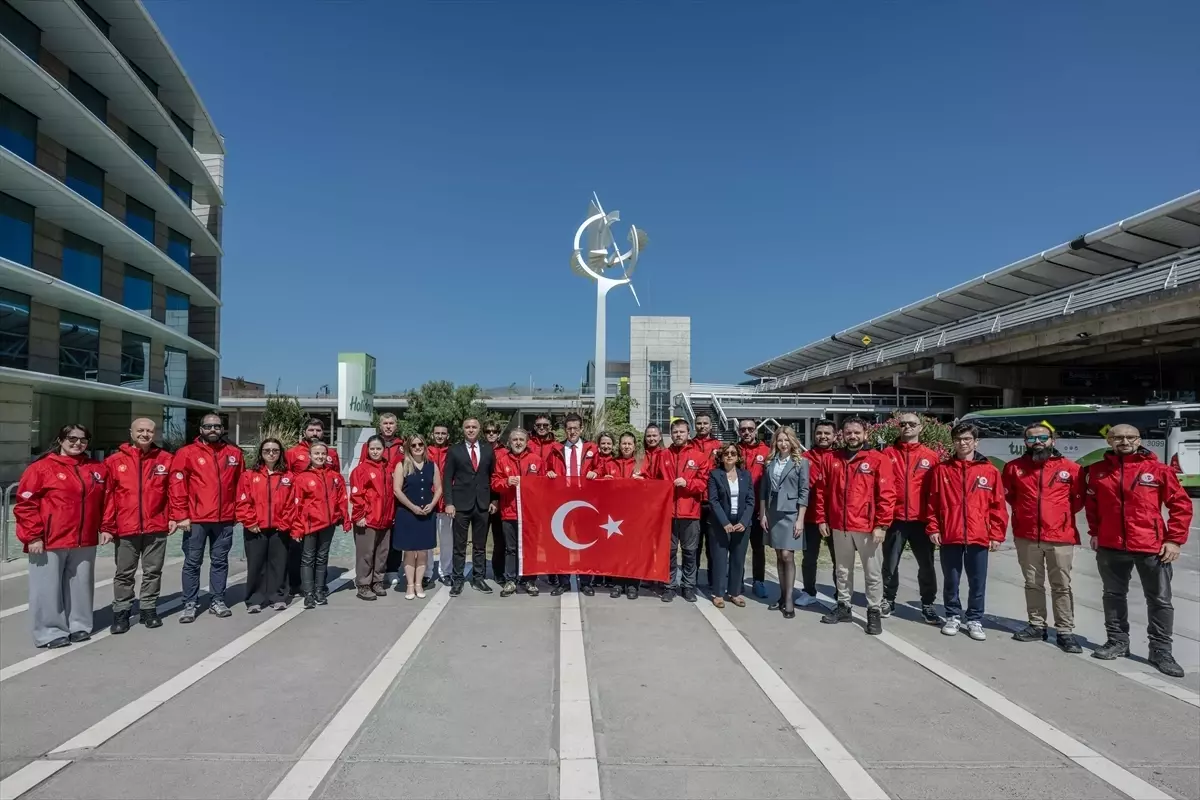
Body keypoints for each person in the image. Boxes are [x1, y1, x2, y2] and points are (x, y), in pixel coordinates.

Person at [1085, 424, 1193, 677]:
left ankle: (1160, 650)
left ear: (1139, 439)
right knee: (1113, 595)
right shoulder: (1098, 472)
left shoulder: (1158, 470)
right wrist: (1096, 533)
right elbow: (1092, 505)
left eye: (1130, 437)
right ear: (1109, 441)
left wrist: (1174, 540)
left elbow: (1181, 506)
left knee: (1159, 600)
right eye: (1118, 437)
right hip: (1111, 545)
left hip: (1151, 546)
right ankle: (1117, 642)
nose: (1124, 441)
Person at [14, 424, 108, 648]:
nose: (78, 443)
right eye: (72, 438)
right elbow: (25, 504)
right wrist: (33, 536)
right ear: (60, 440)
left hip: (83, 538)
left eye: (83, 440)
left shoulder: (97, 468)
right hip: (49, 539)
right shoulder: (40, 468)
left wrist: (106, 527)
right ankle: (49, 631)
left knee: (81, 586)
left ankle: (79, 625)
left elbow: (107, 500)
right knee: (46, 589)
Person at [1002, 423, 1085, 652]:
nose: (1037, 442)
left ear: (1053, 440)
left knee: (1061, 585)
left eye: (1042, 437)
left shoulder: (1072, 469)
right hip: (1027, 536)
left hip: (1060, 536)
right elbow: (1011, 497)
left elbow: (1077, 500)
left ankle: (1065, 631)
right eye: (1031, 439)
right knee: (1032, 583)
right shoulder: (1013, 468)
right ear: (1025, 443)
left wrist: (1058, 517)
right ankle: (1037, 625)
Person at [924, 422, 1008, 641]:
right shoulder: (941, 470)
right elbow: (932, 503)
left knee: (977, 581)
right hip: (950, 534)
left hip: (978, 535)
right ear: (953, 442)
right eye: (958, 439)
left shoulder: (989, 471)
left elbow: (998, 505)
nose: (962, 443)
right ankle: (952, 615)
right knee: (951, 579)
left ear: (975, 442)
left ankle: (974, 619)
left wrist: (997, 534)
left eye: (967, 439)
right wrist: (933, 528)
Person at [817, 417, 895, 635]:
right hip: (839, 526)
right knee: (842, 570)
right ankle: (844, 607)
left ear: (865, 434)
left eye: (856, 432)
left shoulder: (878, 459)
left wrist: (881, 524)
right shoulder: (832, 459)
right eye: (848, 432)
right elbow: (823, 491)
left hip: (868, 527)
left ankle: (874, 611)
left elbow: (887, 495)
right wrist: (822, 519)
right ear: (842, 435)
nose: (852, 436)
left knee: (872, 573)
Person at [170, 413, 244, 623]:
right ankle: (190, 603)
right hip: (196, 519)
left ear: (223, 429)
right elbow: (177, 486)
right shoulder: (186, 453)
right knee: (193, 563)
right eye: (208, 426)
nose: (213, 430)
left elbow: (240, 485)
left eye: (217, 426)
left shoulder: (234, 454)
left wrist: (238, 511)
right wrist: (181, 515)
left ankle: (217, 599)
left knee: (220, 562)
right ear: (200, 429)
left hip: (224, 519)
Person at [102, 417, 174, 633]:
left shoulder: (166, 459)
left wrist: (174, 516)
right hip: (126, 527)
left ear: (155, 434)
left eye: (149, 431)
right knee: (124, 572)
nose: (145, 434)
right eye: (140, 430)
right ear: (131, 433)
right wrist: (107, 526)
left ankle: (148, 609)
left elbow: (174, 492)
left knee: (153, 571)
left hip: (156, 526)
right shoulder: (114, 462)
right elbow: (109, 497)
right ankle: (122, 612)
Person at [881, 413, 942, 624]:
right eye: (903, 424)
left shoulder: (931, 456)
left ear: (920, 428)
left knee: (926, 565)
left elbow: (936, 492)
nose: (907, 427)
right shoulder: (887, 454)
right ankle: (888, 599)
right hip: (894, 519)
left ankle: (927, 604)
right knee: (890, 564)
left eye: (912, 424)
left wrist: (935, 522)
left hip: (921, 520)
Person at [646, 418, 709, 603]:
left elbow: (704, 483)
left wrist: (687, 483)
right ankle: (669, 585)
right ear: (670, 434)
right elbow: (653, 480)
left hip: (690, 513)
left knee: (690, 552)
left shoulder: (699, 457)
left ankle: (688, 586)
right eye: (675, 432)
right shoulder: (663, 455)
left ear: (688, 433)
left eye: (682, 432)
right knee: (669, 552)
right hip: (667, 514)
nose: (678, 435)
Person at [234, 438, 296, 612]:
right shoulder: (249, 475)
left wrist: (284, 523)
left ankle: (279, 596)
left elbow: (292, 503)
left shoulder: (288, 476)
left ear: (280, 453)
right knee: (256, 564)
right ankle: (255, 599)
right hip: (255, 527)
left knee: (280, 564)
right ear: (261, 453)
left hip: (279, 528)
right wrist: (250, 521)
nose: (271, 453)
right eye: (267, 450)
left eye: (275, 450)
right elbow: (242, 500)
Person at [544, 413, 598, 595]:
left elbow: (601, 468)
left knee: (586, 544)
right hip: (563, 502)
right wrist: (550, 474)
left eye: (575, 428)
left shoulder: (592, 448)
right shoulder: (556, 449)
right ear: (565, 430)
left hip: (585, 502)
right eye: (569, 429)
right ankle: (564, 581)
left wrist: (595, 473)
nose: (572, 432)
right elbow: (548, 470)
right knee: (562, 543)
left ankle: (585, 581)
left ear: (581, 429)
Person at [759, 427, 810, 618]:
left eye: (787, 440)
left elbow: (804, 491)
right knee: (779, 555)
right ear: (775, 443)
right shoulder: (769, 462)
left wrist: (800, 520)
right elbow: (763, 489)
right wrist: (763, 514)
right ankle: (782, 595)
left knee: (788, 555)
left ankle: (789, 599)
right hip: (773, 512)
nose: (783, 444)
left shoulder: (801, 462)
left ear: (793, 442)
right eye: (780, 440)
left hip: (791, 514)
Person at [442, 418, 497, 596]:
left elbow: (493, 477)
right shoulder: (454, 450)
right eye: (467, 427)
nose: (471, 430)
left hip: (482, 504)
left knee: (479, 545)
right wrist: (449, 503)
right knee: (460, 545)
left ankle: (478, 578)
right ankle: (457, 580)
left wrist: (494, 500)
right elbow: (447, 478)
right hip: (460, 505)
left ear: (479, 429)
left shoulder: (488, 450)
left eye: (474, 427)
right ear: (463, 429)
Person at [291, 442, 349, 609]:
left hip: (328, 524)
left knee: (322, 557)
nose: (320, 456)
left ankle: (319, 590)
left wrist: (344, 519)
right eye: (316, 454)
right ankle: (308, 593)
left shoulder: (335, 476)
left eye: (323, 454)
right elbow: (297, 505)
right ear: (310, 456)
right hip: (310, 524)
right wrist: (297, 528)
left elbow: (342, 500)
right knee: (308, 558)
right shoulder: (302, 477)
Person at [491, 428, 543, 597]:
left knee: (530, 548)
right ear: (510, 442)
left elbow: (544, 486)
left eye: (521, 439)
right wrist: (507, 482)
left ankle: (530, 580)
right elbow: (495, 483)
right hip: (510, 512)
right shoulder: (502, 460)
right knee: (511, 549)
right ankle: (511, 580)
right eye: (515, 440)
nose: (518, 442)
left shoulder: (536, 460)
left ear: (527, 441)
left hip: (530, 513)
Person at [393, 435, 442, 600]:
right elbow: (397, 490)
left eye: (420, 444)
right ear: (409, 447)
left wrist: (433, 504)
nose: (417, 447)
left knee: (422, 552)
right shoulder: (402, 465)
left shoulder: (432, 465)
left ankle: (419, 584)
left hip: (426, 514)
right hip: (407, 514)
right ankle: (409, 585)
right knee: (409, 552)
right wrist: (413, 507)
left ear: (425, 446)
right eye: (413, 445)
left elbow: (439, 488)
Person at [708, 444, 756, 609]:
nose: (729, 456)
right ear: (721, 457)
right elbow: (713, 501)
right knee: (720, 560)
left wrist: (743, 522)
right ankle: (719, 593)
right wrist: (725, 523)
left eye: (733, 453)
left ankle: (735, 593)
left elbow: (751, 500)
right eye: (726, 453)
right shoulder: (715, 475)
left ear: (738, 456)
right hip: (721, 524)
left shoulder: (746, 475)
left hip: (742, 523)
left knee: (738, 559)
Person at [350, 436, 396, 601]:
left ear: (384, 449)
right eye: (372, 449)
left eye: (378, 448)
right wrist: (359, 515)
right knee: (366, 553)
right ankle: (363, 584)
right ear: (367, 450)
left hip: (385, 519)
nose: (375, 452)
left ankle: (377, 581)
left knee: (382, 553)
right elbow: (356, 495)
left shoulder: (389, 468)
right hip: (368, 519)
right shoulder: (360, 470)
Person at [799, 420, 838, 606]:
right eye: (819, 433)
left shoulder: (841, 457)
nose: (823, 436)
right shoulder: (805, 457)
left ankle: (841, 594)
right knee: (809, 557)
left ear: (835, 436)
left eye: (827, 433)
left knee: (839, 559)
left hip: (835, 517)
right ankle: (808, 591)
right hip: (810, 516)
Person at [605, 432, 644, 598]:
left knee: (634, 550)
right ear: (619, 445)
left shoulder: (641, 464)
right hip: (614, 515)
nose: (626, 446)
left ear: (634, 446)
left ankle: (633, 585)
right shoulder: (610, 463)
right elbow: (598, 486)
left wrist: (643, 481)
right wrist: (603, 480)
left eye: (629, 443)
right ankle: (617, 584)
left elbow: (652, 485)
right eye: (623, 443)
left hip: (635, 513)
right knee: (616, 550)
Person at [736, 420, 771, 599]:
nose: (747, 432)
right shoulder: (734, 450)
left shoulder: (767, 451)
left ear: (756, 430)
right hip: (738, 510)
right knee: (737, 548)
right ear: (739, 431)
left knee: (758, 548)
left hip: (759, 509)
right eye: (743, 430)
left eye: (750, 429)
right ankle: (737, 580)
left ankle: (759, 581)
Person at [692, 414, 723, 588]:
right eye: (699, 423)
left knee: (713, 544)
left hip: (713, 502)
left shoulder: (718, 446)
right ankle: (692, 578)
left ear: (711, 426)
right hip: (694, 502)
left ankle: (713, 580)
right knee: (694, 544)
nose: (702, 426)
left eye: (705, 424)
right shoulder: (689, 445)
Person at [427, 424, 453, 586]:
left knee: (447, 540)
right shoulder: (424, 451)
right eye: (437, 433)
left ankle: (446, 572)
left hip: (446, 503)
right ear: (432, 434)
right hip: (428, 504)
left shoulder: (452, 452)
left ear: (448, 436)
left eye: (443, 433)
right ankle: (427, 572)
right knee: (428, 541)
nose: (440, 436)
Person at [484, 423, 506, 583]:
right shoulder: (480, 450)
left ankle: (499, 572)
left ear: (499, 434)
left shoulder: (505, 452)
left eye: (494, 432)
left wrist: (496, 499)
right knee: (480, 540)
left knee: (500, 540)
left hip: (500, 500)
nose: (491, 434)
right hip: (481, 500)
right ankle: (480, 573)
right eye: (487, 431)